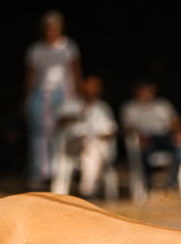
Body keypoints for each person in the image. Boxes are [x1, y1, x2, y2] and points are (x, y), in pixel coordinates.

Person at [25, 10, 83, 190]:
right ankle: (43, 174)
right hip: (41, 95)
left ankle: (69, 173)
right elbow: (30, 77)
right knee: (41, 135)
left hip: (64, 95)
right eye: (49, 28)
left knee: (67, 133)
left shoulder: (68, 47)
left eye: (55, 27)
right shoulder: (36, 50)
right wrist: (27, 98)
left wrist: (77, 97)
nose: (52, 31)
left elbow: (75, 72)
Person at [120, 80, 181, 192]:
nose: (147, 93)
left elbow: (175, 122)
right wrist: (139, 136)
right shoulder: (130, 107)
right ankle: (147, 184)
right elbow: (128, 127)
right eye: (143, 90)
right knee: (142, 153)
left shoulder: (162, 105)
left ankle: (173, 181)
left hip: (164, 137)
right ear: (136, 92)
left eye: (149, 90)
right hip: (145, 138)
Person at [58, 74, 118, 198]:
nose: (92, 89)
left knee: (92, 149)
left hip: (95, 147)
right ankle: (88, 191)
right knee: (90, 145)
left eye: (95, 87)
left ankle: (87, 190)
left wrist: (103, 136)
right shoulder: (71, 104)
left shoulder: (103, 108)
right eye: (89, 86)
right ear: (82, 87)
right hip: (72, 145)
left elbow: (110, 130)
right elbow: (60, 122)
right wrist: (77, 116)